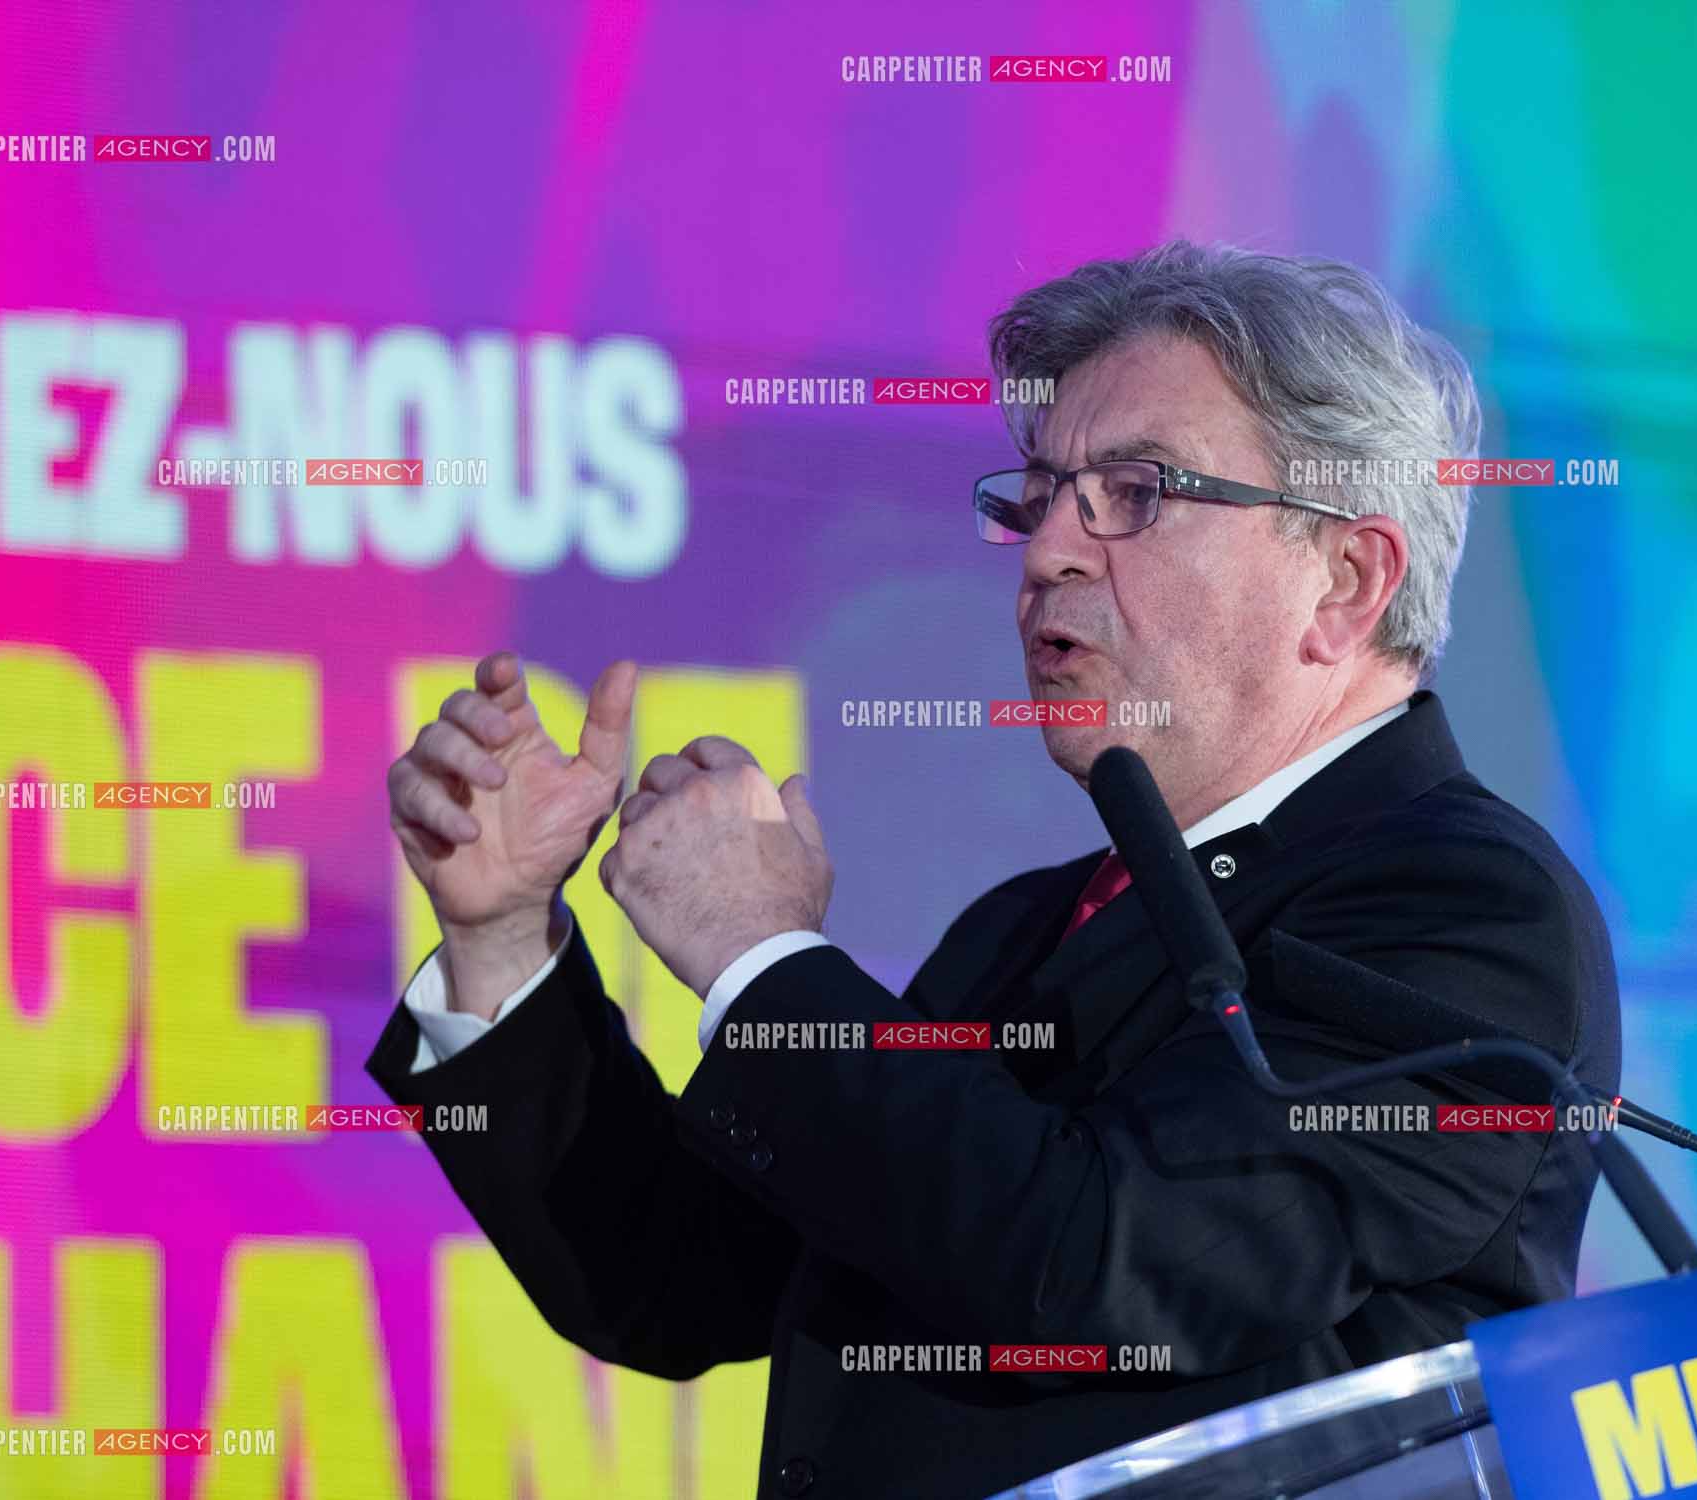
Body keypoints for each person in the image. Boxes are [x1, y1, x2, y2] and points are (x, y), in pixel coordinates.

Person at [367, 241, 1621, 1499]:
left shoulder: (1465, 911)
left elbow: (1107, 1262)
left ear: (1346, 581)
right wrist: (502, 939)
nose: (1046, 556)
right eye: (1041, 497)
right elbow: (672, 1284)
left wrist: (757, 956)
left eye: (1136, 493)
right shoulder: (1023, 930)